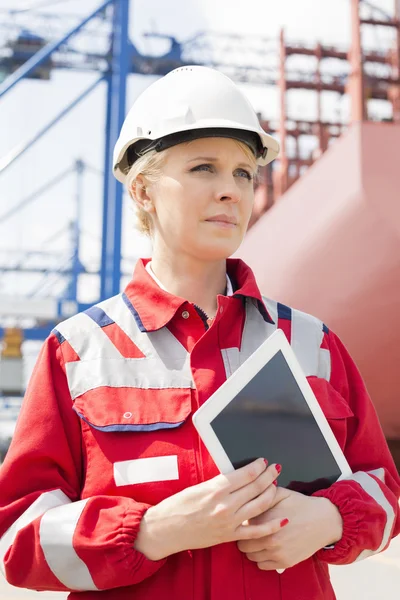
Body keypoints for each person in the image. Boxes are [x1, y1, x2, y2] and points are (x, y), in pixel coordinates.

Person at [0, 65, 399, 600]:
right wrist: (150, 533)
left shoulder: (312, 344)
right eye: (204, 168)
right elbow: (17, 537)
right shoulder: (79, 351)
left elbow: (385, 491)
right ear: (143, 190)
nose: (231, 192)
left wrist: (329, 518)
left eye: (243, 173)